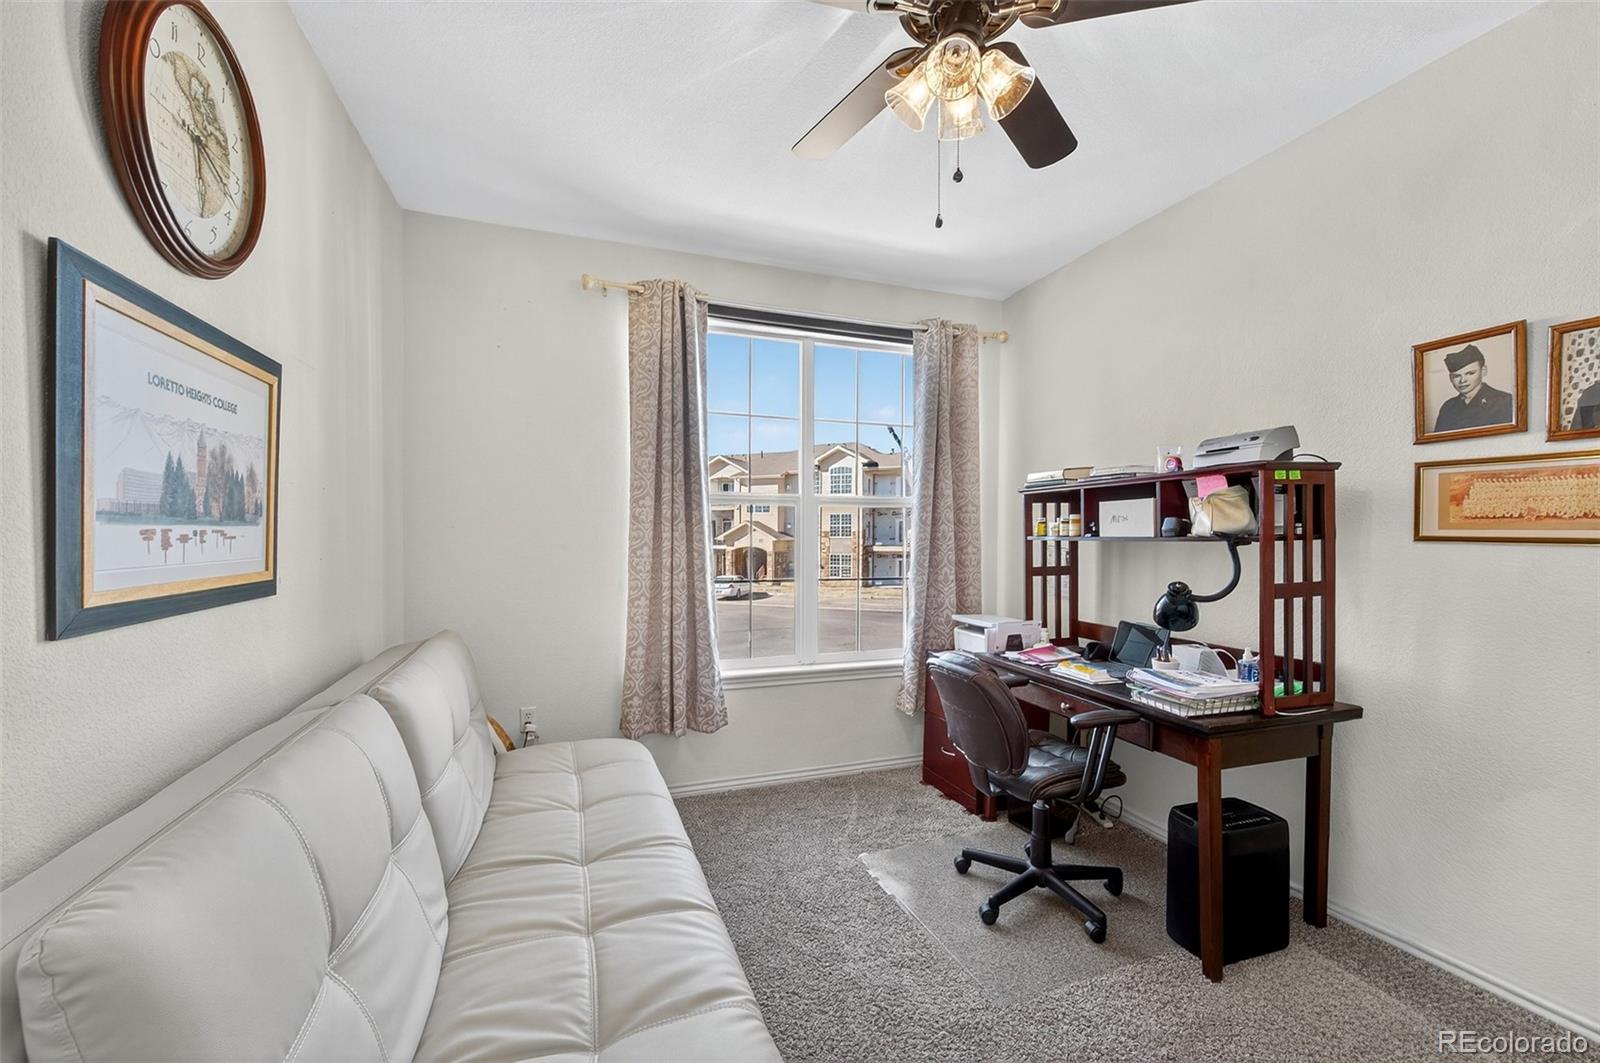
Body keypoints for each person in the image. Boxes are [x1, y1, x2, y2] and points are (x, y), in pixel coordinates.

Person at [1433, 344, 1513, 433]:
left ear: (1483, 371)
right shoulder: (1447, 407)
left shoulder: (1504, 402)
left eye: (1470, 373)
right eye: (1456, 376)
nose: (1462, 380)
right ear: (1450, 378)